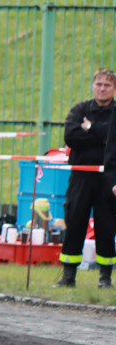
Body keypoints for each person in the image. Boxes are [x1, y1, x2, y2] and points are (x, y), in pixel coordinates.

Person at [56, 68, 116, 288]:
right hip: (80, 175)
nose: (102, 88)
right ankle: (68, 276)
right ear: (93, 86)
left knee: (106, 226)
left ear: (114, 89)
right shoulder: (80, 109)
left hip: (107, 177)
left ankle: (105, 278)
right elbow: (70, 136)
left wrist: (90, 128)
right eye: (99, 84)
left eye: (107, 85)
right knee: (74, 223)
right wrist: (103, 136)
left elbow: (113, 138)